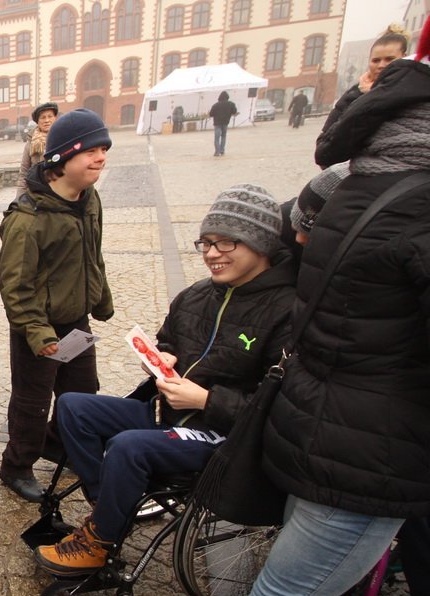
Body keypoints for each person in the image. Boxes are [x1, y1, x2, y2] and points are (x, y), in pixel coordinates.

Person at [194, 33, 430, 596]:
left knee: (296, 591)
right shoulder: (417, 200)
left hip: (318, 421)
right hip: (371, 447)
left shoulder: (360, 184)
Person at [34, 185, 296, 575]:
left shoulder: (285, 311)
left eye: (226, 243)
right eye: (205, 243)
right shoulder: (195, 296)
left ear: (260, 244)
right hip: (166, 413)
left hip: (222, 435)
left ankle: (100, 541)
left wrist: (206, 401)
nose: (211, 254)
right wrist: (163, 358)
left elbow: (278, 408)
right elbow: (169, 339)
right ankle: (107, 508)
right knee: (74, 406)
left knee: (128, 447)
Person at [0, 108, 114, 504]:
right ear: (63, 159)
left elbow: (92, 256)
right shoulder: (27, 219)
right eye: (91, 151)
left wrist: (101, 298)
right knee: (32, 402)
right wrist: (38, 333)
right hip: (38, 328)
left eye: (104, 149)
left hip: (75, 321)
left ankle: (58, 444)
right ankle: (16, 465)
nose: (100, 157)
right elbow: (15, 286)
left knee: (83, 393)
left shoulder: (89, 199)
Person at [322, 25, 409, 132]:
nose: (381, 65)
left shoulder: (414, 91)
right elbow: (328, 134)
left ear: (404, 57)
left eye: (389, 59)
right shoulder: (356, 93)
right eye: (376, 60)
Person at [18, 102, 58, 193]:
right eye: (43, 117)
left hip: (59, 193)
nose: (47, 120)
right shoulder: (31, 143)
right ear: (37, 121)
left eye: (50, 116)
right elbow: (24, 173)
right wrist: (18, 200)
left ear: (55, 118)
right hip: (38, 194)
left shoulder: (63, 138)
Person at [208, 91, 237, 157]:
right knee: (223, 137)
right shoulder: (231, 104)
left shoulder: (215, 105)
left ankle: (217, 152)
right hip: (225, 123)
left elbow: (211, 114)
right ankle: (222, 150)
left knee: (217, 138)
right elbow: (234, 112)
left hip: (217, 124)